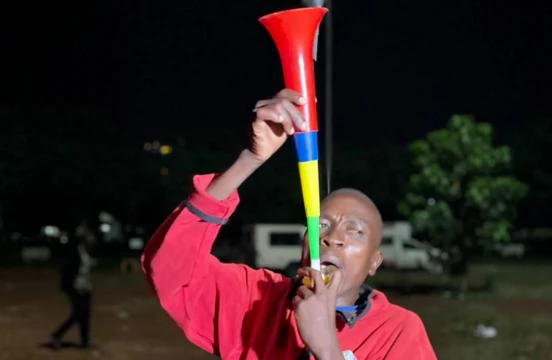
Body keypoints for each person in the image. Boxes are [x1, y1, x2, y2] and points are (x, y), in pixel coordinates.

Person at [142, 89, 437, 360]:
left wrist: (327, 347)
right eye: (321, 225)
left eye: (355, 231)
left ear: (374, 262)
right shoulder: (257, 299)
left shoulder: (399, 331)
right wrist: (250, 159)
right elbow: (168, 267)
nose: (333, 238)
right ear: (304, 242)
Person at [51, 221, 96, 349]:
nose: (92, 239)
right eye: (89, 236)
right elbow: (65, 270)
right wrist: (71, 286)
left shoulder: (85, 252)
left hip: (85, 287)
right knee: (79, 313)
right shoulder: (75, 252)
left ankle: (85, 341)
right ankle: (57, 335)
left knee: (85, 314)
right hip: (76, 288)